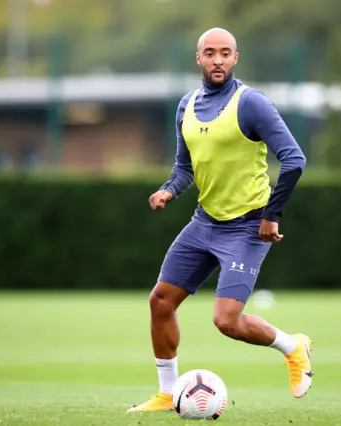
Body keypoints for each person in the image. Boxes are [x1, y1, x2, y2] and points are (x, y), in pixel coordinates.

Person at [127, 28, 312, 413]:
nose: (217, 60)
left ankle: (293, 347)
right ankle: (166, 393)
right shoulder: (186, 106)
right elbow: (184, 168)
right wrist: (168, 190)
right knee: (160, 302)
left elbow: (294, 159)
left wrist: (270, 215)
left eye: (225, 53)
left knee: (227, 321)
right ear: (198, 58)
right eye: (210, 53)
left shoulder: (251, 104)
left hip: (247, 226)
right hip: (204, 222)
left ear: (235, 58)